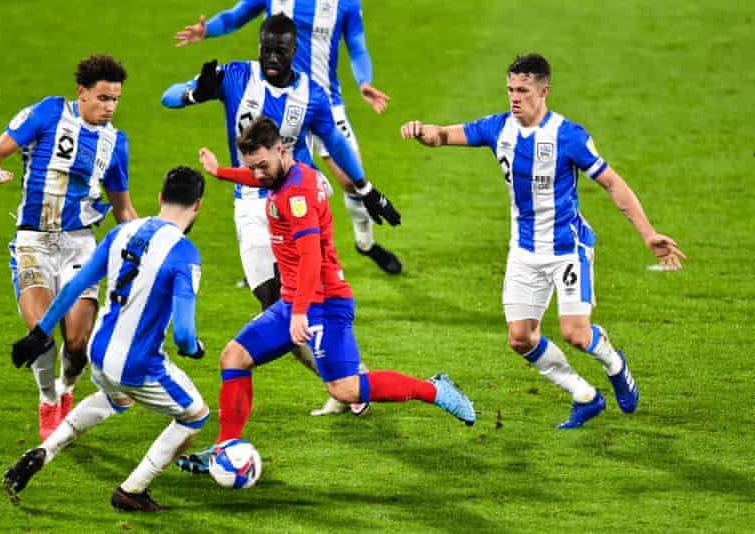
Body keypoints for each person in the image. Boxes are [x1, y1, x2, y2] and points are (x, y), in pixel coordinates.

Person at [400, 54, 686, 429]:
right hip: (524, 251)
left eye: (523, 90)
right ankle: (585, 396)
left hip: (567, 248)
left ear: (544, 91)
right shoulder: (498, 128)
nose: (514, 97)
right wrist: (420, 130)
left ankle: (616, 365)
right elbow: (442, 136)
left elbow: (612, 183)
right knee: (520, 338)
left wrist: (648, 233)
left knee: (575, 333)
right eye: (510, 89)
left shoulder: (568, 136)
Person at [176, 116, 475, 475]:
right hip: (295, 301)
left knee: (345, 389)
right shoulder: (286, 173)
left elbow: (311, 257)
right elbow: (261, 178)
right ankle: (226, 448)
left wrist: (299, 312)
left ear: (281, 150)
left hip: (324, 303)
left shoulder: (297, 195)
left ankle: (435, 390)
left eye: (262, 166)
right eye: (251, 167)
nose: (257, 175)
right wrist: (221, 172)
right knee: (234, 358)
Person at [162, 14, 400, 417]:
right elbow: (166, 97)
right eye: (266, 49)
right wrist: (192, 92)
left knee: (307, 297)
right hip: (249, 202)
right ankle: (348, 381)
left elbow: (336, 143)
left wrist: (366, 189)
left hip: (297, 198)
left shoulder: (311, 95)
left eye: (281, 51)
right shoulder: (236, 76)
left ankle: (348, 384)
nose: (272, 57)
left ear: (294, 51)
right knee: (273, 305)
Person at [2, 166, 210, 513]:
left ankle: (44, 450)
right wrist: (195, 349)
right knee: (195, 415)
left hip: (97, 352)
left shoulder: (123, 232)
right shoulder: (185, 253)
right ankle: (133, 490)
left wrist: (40, 333)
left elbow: (75, 285)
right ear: (198, 205)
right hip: (137, 364)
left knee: (118, 399)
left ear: (160, 197)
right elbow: (185, 335)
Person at [173, 0, 403, 276]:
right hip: (273, 100)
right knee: (274, 173)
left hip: (322, 102)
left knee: (351, 182)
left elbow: (357, 45)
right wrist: (207, 29)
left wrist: (364, 80)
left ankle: (365, 244)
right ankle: (270, 257)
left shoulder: (346, 3)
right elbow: (236, 16)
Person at [0, 54, 139, 440]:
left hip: (80, 246)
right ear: (81, 92)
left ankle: (67, 387)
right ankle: (48, 397)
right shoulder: (49, 113)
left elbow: (123, 209)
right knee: (41, 331)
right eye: (103, 98)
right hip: (33, 241)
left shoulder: (115, 143)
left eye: (115, 100)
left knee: (78, 343)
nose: (110, 107)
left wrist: (148, 243)